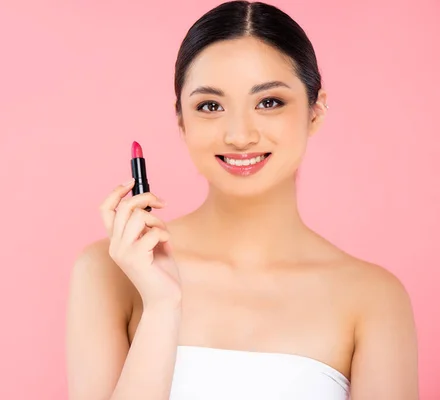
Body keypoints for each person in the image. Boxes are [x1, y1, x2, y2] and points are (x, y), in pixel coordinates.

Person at [65, 1, 419, 399]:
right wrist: (162, 307)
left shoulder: (374, 297)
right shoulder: (110, 271)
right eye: (210, 106)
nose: (238, 135)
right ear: (181, 118)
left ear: (315, 111)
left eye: (269, 102)